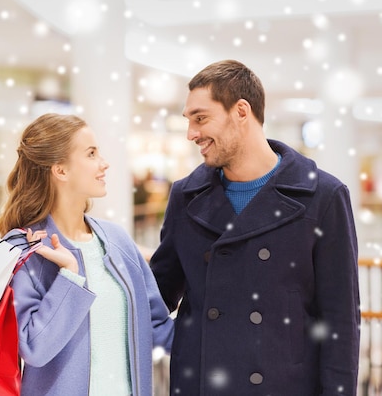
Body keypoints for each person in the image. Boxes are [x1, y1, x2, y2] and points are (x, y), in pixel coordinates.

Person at [150, 59, 361, 395]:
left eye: (200, 118)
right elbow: (157, 296)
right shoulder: (185, 196)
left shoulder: (322, 196)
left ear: (241, 111)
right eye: (188, 121)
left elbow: (340, 323)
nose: (192, 134)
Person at [0, 113, 174, 396]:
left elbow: (158, 328)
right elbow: (33, 348)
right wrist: (69, 276)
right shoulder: (27, 249)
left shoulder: (117, 241)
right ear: (61, 170)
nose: (104, 163)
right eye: (91, 154)